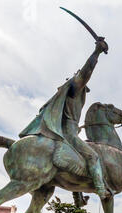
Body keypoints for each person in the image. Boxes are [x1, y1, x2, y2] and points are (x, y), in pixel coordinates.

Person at [19, 38, 110, 200]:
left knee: (78, 160)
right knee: (93, 157)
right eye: (84, 85)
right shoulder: (75, 89)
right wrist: (97, 52)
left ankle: (79, 197)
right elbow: (86, 71)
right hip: (68, 134)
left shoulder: (67, 97)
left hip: (67, 130)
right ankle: (101, 189)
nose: (85, 89)